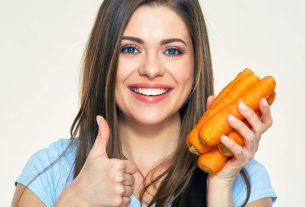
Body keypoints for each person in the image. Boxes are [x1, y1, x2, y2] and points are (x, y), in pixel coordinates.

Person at [11, 0, 277, 206]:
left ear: (195, 64)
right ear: (107, 60)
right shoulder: (49, 172)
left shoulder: (244, 182)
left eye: (172, 50)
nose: (151, 69)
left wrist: (220, 183)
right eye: (130, 49)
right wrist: (76, 201)